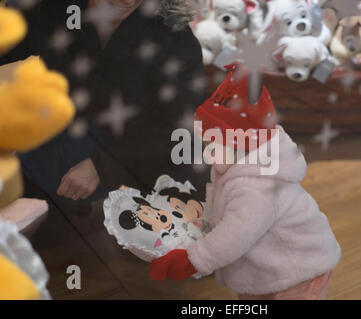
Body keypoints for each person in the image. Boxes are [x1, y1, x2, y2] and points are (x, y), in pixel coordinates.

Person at [149, 65, 341, 300]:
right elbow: (226, 212)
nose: (208, 152)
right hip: (265, 270)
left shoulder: (256, 189)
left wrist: (194, 259)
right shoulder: (236, 168)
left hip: (301, 270)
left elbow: (234, 235)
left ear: (243, 147)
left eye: (214, 144)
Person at [0, 0, 208, 203]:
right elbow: (13, 39)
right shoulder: (54, 8)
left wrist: (103, 166)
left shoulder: (176, 40)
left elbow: (175, 127)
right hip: (47, 158)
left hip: (132, 183)